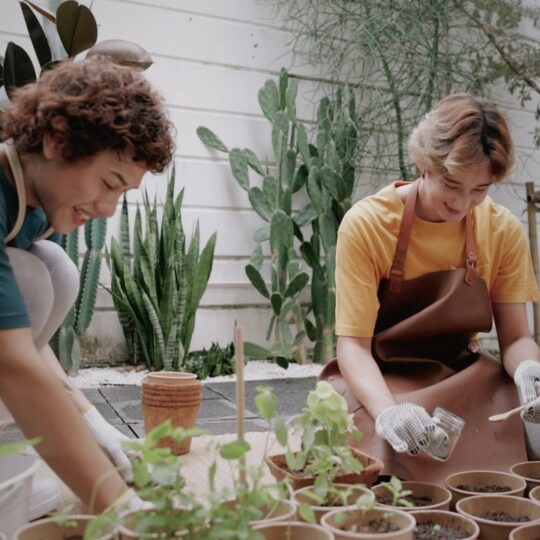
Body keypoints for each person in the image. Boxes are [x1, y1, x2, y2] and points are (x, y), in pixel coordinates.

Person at [320, 93, 540, 483]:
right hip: (378, 374)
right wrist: (388, 412)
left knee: (522, 439)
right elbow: (352, 347)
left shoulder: (503, 229)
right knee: (377, 458)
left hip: (459, 372)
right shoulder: (367, 224)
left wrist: (528, 368)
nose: (462, 203)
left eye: (480, 190)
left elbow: (517, 336)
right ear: (424, 162)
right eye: (451, 184)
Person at [0, 57, 174, 515]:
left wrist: (92, 422)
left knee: (54, 267)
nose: (110, 209)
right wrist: (119, 507)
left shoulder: (37, 206)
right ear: (58, 140)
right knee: (33, 279)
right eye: (109, 183)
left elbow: (18, 333)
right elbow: (11, 360)